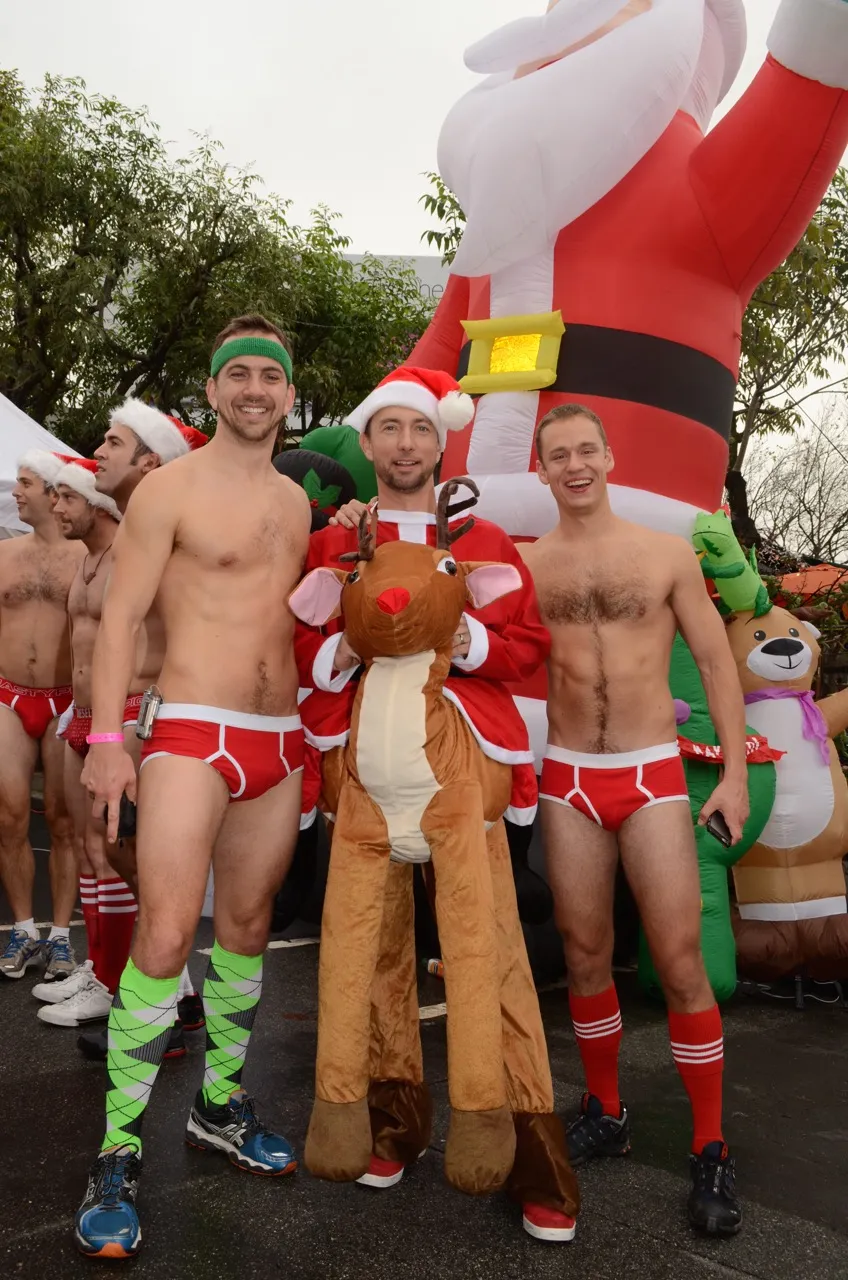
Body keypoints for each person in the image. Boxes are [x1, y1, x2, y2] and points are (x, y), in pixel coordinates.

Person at [295, 366, 579, 1243]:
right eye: (390, 428)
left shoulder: (484, 535)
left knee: (491, 955)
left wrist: (469, 638)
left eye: (421, 429)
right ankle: (393, 1124)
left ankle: (532, 1156)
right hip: (365, 773)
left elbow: (527, 644)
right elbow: (303, 640)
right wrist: (346, 649)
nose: (407, 444)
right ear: (368, 442)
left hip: (461, 769)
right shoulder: (336, 540)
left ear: (441, 440)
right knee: (374, 957)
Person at [73, 314, 311, 1260]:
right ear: (212, 390)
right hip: (188, 731)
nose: (255, 389)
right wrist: (106, 740)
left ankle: (217, 1105)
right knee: (168, 934)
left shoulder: (296, 502)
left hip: (279, 741)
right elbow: (122, 618)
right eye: (238, 374)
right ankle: (118, 1150)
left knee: (247, 930)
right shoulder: (168, 489)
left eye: (270, 376)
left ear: (288, 393)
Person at [519, 403, 750, 1237]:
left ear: (609, 457)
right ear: (541, 468)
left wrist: (734, 778)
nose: (575, 465)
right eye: (558, 454)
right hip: (568, 776)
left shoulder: (666, 554)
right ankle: (606, 1111)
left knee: (681, 958)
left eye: (586, 450)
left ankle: (710, 1145)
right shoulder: (526, 564)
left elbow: (718, 662)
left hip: (651, 773)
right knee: (584, 953)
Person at [73, 399, 208, 1060]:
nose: (97, 452)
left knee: (139, 858)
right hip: (118, 716)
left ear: (150, 461)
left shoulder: (172, 529)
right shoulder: (130, 530)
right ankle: (176, 998)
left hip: (152, 715)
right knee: (119, 854)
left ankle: (163, 1007)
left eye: (113, 441)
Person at [31, 458, 125, 1028]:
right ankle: (100, 967)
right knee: (90, 851)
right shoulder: (85, 560)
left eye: (67, 497)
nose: (56, 506)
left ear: (97, 504)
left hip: (123, 714)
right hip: (81, 712)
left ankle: (117, 983)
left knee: (111, 850)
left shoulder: (131, 556)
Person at [0, 452, 81, 981]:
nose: (15, 492)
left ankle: (61, 937)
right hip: (7, 695)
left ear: (53, 493)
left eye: (25, 483)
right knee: (8, 814)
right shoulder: (4, 553)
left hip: (64, 699)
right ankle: (24, 928)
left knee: (62, 817)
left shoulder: (87, 556)